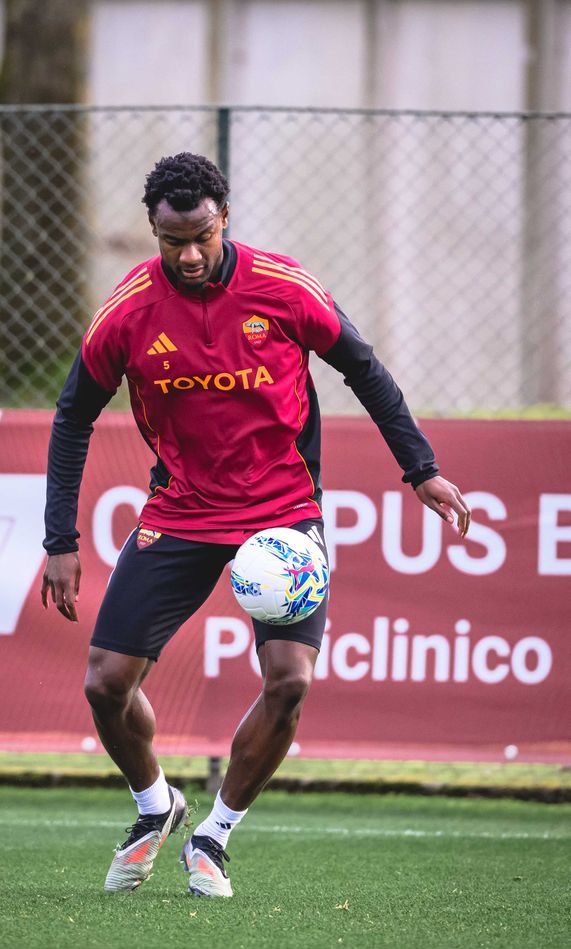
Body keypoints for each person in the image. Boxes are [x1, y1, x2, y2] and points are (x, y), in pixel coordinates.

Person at [41, 151, 471, 899]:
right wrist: (59, 542)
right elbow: (72, 416)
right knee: (105, 683)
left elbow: (362, 369)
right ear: (154, 230)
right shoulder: (127, 312)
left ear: (224, 218)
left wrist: (420, 468)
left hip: (282, 512)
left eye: (202, 236)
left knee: (290, 681)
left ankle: (214, 835)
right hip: (180, 509)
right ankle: (155, 808)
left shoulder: (281, 286)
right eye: (173, 241)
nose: (190, 254)